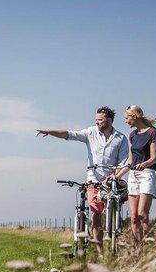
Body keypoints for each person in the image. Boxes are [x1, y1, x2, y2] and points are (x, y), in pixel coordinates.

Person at [36, 106, 129, 250]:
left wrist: (115, 176)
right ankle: (99, 251)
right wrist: (50, 132)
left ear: (109, 120)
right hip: (94, 180)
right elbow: (69, 134)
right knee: (96, 214)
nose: (97, 122)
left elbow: (123, 162)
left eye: (100, 120)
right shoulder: (90, 132)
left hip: (112, 180)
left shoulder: (121, 138)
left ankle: (114, 244)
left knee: (114, 212)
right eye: (96, 120)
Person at [114, 105, 156, 244]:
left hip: (146, 174)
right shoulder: (133, 135)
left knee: (142, 215)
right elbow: (130, 161)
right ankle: (138, 248)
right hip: (133, 176)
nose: (125, 121)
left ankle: (149, 245)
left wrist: (144, 164)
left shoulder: (152, 132)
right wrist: (117, 175)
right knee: (134, 217)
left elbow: (154, 158)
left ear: (134, 117)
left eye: (127, 118)